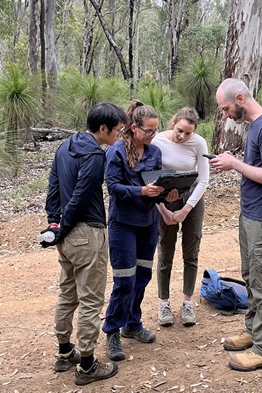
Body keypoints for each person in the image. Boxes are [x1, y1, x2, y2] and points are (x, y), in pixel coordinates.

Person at [42, 102, 128, 386]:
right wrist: (62, 225)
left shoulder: (65, 146)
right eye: (117, 130)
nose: (119, 135)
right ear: (102, 129)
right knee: (91, 298)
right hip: (87, 233)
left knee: (67, 293)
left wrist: (54, 224)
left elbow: (53, 188)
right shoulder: (95, 155)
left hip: (66, 238)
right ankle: (88, 365)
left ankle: (65, 352)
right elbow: (81, 195)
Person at [210, 78, 262, 372]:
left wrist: (235, 164)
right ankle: (254, 331)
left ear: (240, 98)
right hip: (251, 215)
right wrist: (236, 161)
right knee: (251, 276)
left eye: (226, 107)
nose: (226, 114)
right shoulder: (256, 126)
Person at [102, 100, 178, 361]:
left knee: (142, 277)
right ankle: (112, 330)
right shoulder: (116, 152)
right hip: (123, 224)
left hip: (148, 224)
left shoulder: (154, 152)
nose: (153, 136)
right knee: (124, 280)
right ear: (133, 128)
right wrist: (141, 191)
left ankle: (132, 324)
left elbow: (155, 187)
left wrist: (165, 196)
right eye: (148, 131)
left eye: (155, 131)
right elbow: (113, 188)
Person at [152, 107, 209, 327]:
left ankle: (187, 301)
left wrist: (186, 209)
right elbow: (150, 177)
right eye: (179, 130)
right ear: (173, 123)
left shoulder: (198, 143)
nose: (182, 136)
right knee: (165, 249)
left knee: (191, 249)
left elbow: (203, 179)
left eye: (187, 133)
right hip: (165, 196)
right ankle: (163, 302)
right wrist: (164, 210)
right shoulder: (158, 141)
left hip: (191, 195)